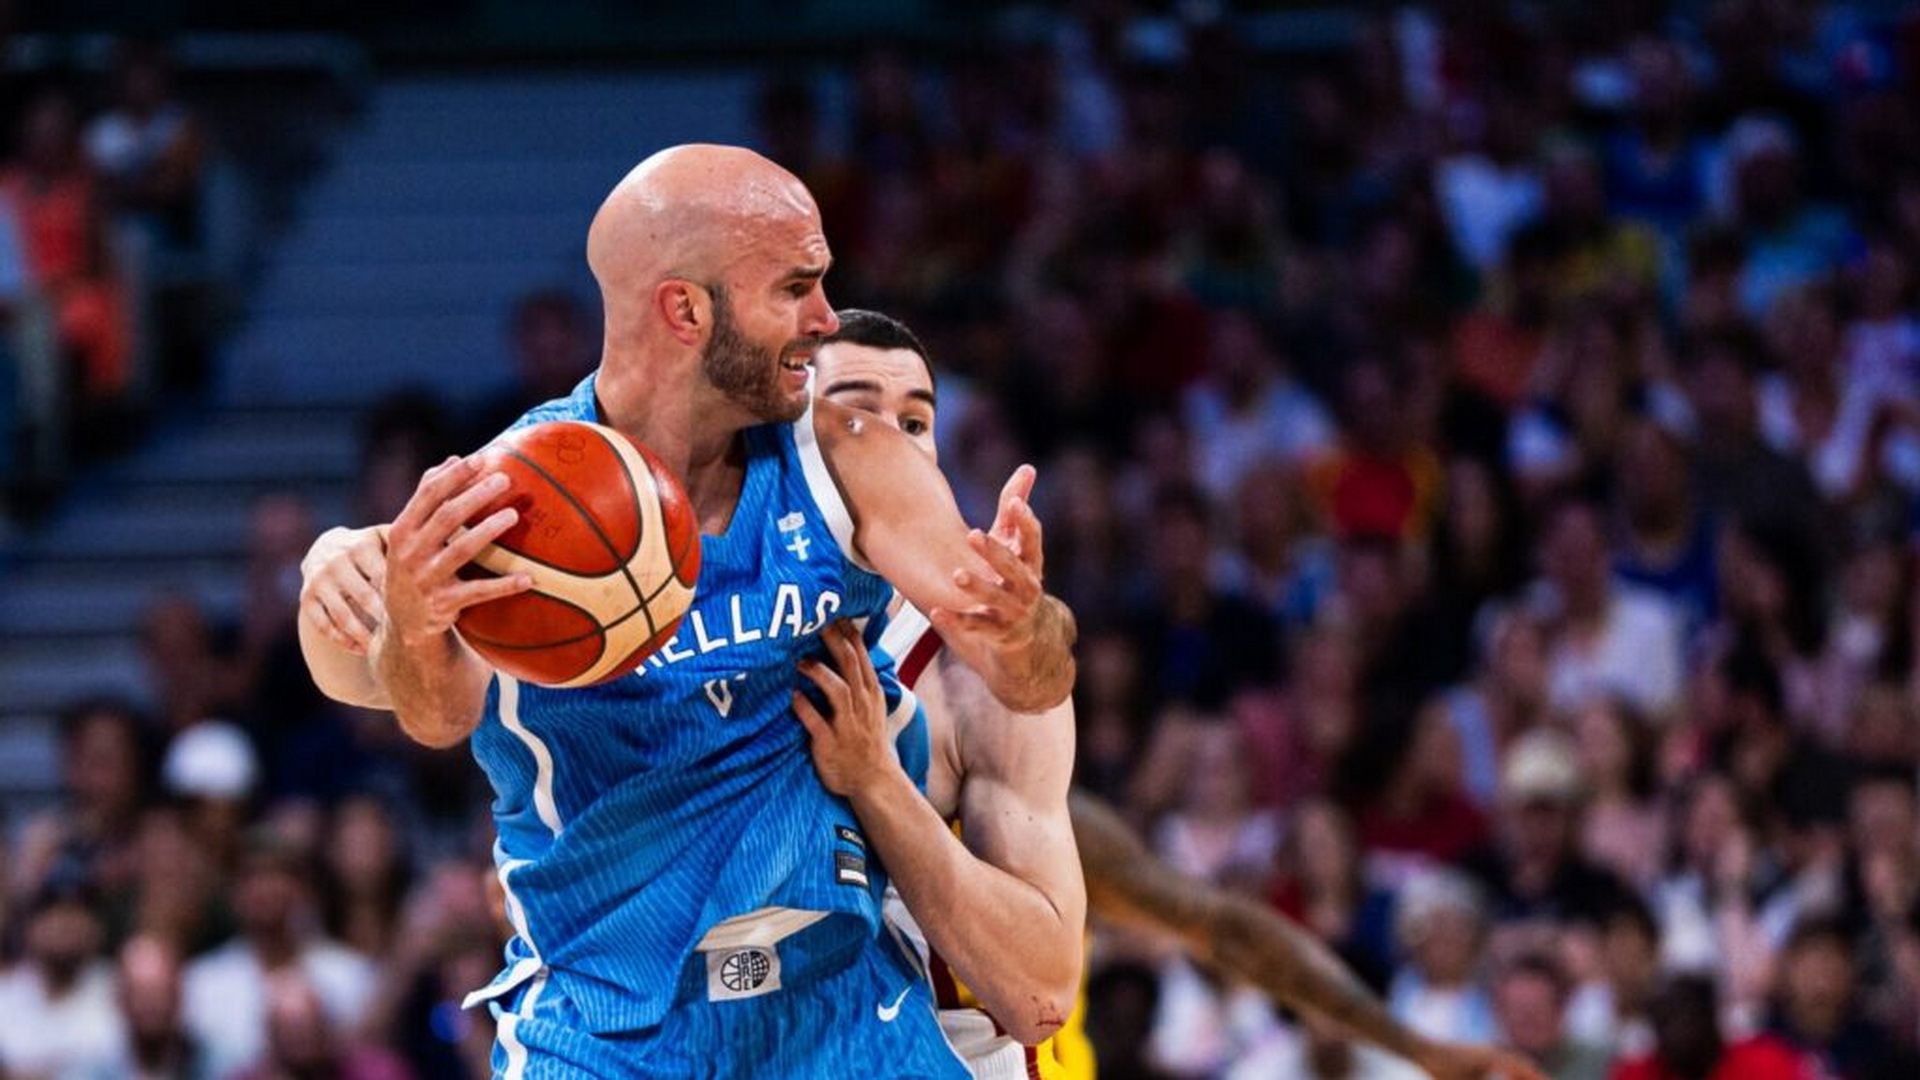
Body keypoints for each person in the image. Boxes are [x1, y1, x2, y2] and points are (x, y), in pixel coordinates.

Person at [296, 144, 1079, 1077]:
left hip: (838, 1009)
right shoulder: (514, 500)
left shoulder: (848, 458)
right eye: (796, 288)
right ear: (686, 311)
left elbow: (1028, 677)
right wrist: (408, 618)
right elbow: (434, 716)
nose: (826, 321)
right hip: (607, 1029)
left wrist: (1024, 629)